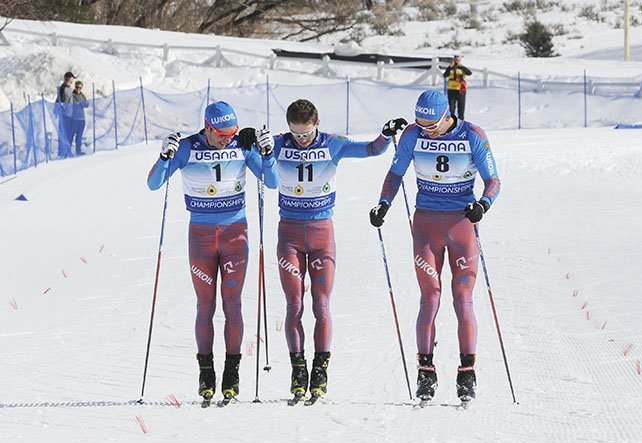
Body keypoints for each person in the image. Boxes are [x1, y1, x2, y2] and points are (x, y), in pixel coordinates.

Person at [269, 98, 407, 403]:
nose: (301, 141)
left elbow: (372, 149)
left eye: (306, 134)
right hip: (289, 233)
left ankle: (320, 370)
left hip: (321, 235)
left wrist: (385, 134)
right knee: (294, 305)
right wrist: (250, 138)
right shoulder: (279, 144)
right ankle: (298, 370)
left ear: (317, 124)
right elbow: (246, 154)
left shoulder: (333, 143)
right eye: (295, 134)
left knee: (321, 305)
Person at [369, 90, 500, 403]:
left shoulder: (473, 135)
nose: (426, 130)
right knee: (430, 296)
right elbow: (395, 174)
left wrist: (483, 205)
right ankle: (425, 371)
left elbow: (493, 180)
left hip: (461, 224)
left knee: (462, 298)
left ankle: (467, 373)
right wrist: (383, 204)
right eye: (421, 124)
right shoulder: (413, 136)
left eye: (432, 125)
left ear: (447, 116)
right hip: (426, 224)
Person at [146, 101, 279, 405]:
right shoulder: (187, 148)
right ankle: (206, 373)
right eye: (221, 134)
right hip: (202, 236)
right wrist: (164, 155)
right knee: (205, 306)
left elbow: (271, 182)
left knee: (232, 305)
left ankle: (232, 374)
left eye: (231, 132)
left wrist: (266, 154)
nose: (226, 139)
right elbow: (154, 184)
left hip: (235, 234)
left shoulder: (240, 145)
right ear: (207, 127)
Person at [443, 55, 472, 120]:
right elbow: (445, 75)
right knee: (451, 109)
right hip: (451, 91)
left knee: (461, 109)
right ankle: (451, 123)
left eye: (458, 60)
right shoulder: (450, 68)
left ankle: (461, 123)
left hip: (461, 91)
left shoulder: (462, 68)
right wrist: (450, 67)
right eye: (455, 60)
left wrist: (461, 66)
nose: (456, 62)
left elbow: (469, 73)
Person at [55, 71, 75, 157]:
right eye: (72, 78)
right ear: (69, 78)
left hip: (68, 114)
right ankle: (63, 153)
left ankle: (66, 152)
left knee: (68, 133)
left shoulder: (68, 88)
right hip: (65, 115)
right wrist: (62, 111)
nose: (73, 80)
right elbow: (60, 101)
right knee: (65, 133)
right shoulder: (63, 88)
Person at [71, 80, 89, 156]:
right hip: (74, 119)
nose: (78, 89)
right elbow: (73, 104)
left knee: (79, 136)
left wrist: (81, 104)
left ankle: (78, 151)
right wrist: (80, 104)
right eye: (77, 87)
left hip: (81, 118)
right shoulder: (72, 95)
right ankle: (67, 151)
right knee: (71, 135)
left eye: (80, 87)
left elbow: (87, 104)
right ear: (75, 87)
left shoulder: (82, 95)